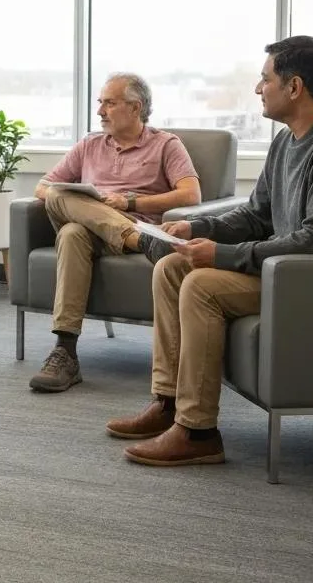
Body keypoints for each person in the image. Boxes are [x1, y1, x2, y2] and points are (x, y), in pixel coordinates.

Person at [107, 36, 313, 467]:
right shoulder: (287, 141)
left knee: (203, 285)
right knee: (171, 267)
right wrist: (195, 227)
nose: (257, 88)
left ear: (294, 87)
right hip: (285, 270)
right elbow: (256, 216)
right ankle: (169, 403)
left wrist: (222, 256)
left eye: (265, 79)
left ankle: (198, 431)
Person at [29, 73, 201, 393]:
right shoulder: (89, 144)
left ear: (135, 108)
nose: (100, 111)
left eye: (109, 103)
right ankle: (142, 242)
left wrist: (130, 201)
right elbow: (42, 187)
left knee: (70, 234)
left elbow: (191, 194)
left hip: (138, 222)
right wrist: (93, 204)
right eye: (100, 103)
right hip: (114, 235)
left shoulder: (166, 144)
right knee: (57, 200)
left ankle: (65, 352)